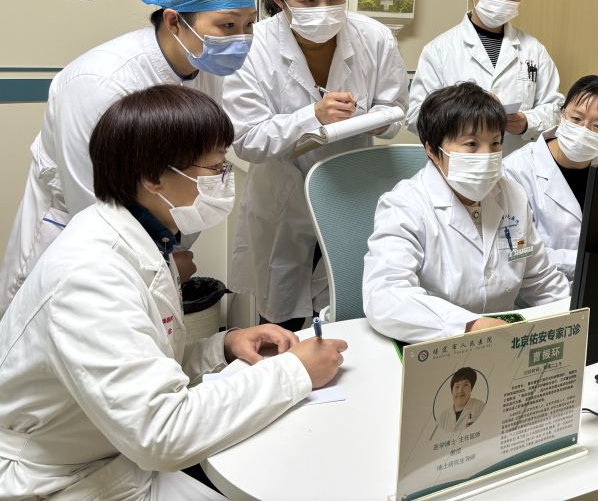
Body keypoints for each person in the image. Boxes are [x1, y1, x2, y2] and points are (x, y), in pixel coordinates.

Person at [0, 85, 347, 501]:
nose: (225, 180)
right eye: (216, 168)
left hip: (112, 454)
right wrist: (296, 372)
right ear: (152, 178)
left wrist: (224, 347)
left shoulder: (143, 237)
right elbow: (161, 432)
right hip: (54, 481)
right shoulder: (91, 277)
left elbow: (144, 358)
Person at [0, 0, 257, 317]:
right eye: (228, 25)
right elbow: (97, 205)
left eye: (249, 24)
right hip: (80, 249)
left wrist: (168, 258)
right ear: (174, 21)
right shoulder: (98, 83)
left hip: (157, 246)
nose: (242, 38)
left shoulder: (205, 68)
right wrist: (163, 265)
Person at [224, 0, 408, 330]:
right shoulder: (253, 47)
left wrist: (370, 118)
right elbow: (247, 139)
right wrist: (312, 117)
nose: (324, 10)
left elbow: (395, 113)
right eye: (308, 1)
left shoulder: (375, 38)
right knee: (283, 328)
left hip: (351, 196)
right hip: (283, 205)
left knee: (349, 320)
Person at [363, 82, 569, 344]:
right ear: (432, 149)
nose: (487, 155)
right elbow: (385, 295)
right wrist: (468, 325)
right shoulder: (404, 205)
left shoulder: (512, 195)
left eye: (495, 143)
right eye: (471, 144)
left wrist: (578, 318)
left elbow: (541, 279)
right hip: (433, 343)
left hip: (502, 342)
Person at [405, 0, 562, 155]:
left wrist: (526, 122)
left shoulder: (534, 50)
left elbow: (555, 109)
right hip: (460, 167)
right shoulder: (439, 50)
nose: (503, 0)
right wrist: (468, 117)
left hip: (517, 165)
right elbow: (416, 116)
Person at [503, 75, 598, 281]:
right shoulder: (516, 169)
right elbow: (518, 251)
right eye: (576, 119)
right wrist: (586, 261)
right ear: (561, 114)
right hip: (544, 288)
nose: (584, 130)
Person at [436, 367, 485, 435]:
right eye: (457, 386)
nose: (460, 390)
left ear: (471, 388)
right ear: (452, 391)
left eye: (465, 385)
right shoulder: (443, 417)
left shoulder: (479, 406)